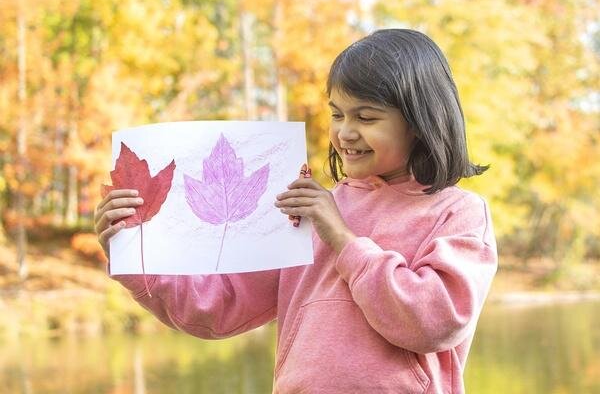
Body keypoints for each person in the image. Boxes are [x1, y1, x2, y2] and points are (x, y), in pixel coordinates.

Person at [95, 28, 497, 393]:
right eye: (337, 114)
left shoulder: (457, 213)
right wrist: (133, 255)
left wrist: (342, 239)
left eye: (366, 117)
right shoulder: (304, 208)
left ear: (419, 122)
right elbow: (218, 308)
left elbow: (435, 321)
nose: (345, 132)